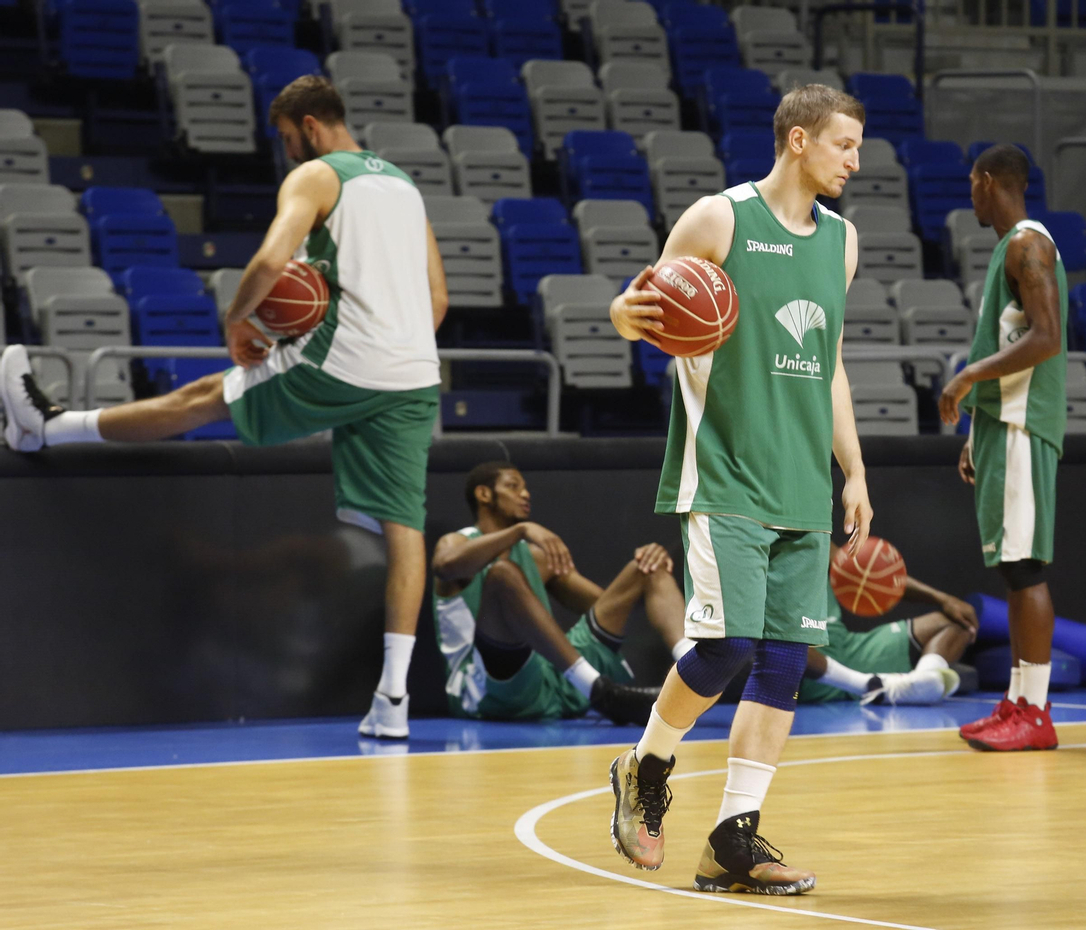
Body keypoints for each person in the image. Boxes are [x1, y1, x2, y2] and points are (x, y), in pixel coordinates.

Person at [0, 76, 449, 738]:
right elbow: (437, 301)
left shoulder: (318, 177)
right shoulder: (407, 191)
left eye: (286, 136)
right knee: (404, 532)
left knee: (204, 395)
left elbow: (271, 258)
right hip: (413, 371)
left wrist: (240, 319)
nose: (286, 149)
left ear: (308, 124)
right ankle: (392, 703)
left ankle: (46, 428)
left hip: (347, 358)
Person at [603, 83, 871, 895]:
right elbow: (642, 306)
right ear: (797, 140)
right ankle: (645, 767)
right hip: (724, 473)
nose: (855, 162)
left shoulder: (844, 242)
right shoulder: (719, 219)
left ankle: (733, 838)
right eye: (843, 146)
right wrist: (622, 311)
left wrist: (853, 469)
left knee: (786, 661)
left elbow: (827, 367)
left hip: (802, 482)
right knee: (726, 647)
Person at [938, 144, 1068, 752]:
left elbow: (1047, 339)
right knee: (1014, 570)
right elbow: (1017, 341)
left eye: (972, 182)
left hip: (1021, 427)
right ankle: (1018, 701)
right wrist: (974, 432)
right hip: (999, 426)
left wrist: (967, 378)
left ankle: (1036, 713)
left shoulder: (1027, 244)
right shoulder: (1009, 248)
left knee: (1025, 567)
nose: (969, 192)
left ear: (990, 181)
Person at [431, 461, 686, 726]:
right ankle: (600, 690)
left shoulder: (535, 557)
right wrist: (520, 530)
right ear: (484, 494)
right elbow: (444, 566)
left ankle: (693, 671)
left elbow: (603, 605)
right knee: (502, 575)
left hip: (551, 678)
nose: (525, 494)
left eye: (526, 488)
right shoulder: (457, 542)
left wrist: (642, 574)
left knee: (647, 566)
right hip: (486, 689)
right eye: (513, 486)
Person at [799, 543, 973, 705]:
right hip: (801, 667)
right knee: (779, 639)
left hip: (849, 650)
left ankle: (912, 686)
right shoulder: (774, 542)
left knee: (959, 623)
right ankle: (869, 685)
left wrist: (943, 599)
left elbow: (864, 574)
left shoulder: (814, 533)